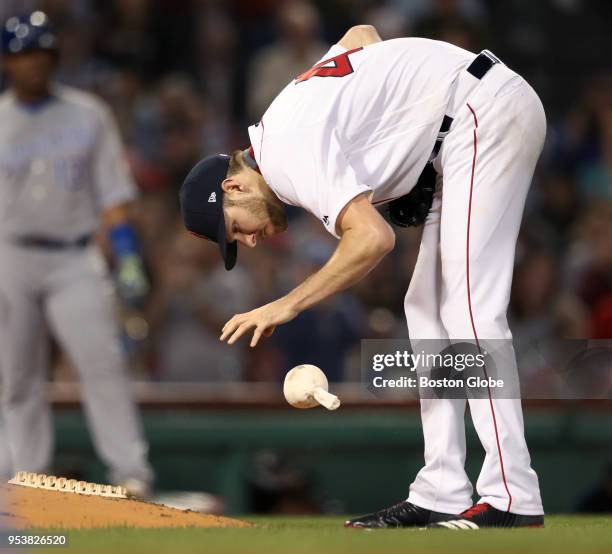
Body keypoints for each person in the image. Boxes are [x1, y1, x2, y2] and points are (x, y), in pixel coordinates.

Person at [180, 25, 546, 528]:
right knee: (425, 307)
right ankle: (442, 488)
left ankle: (512, 494)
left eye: (235, 230)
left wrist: (287, 304)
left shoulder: (288, 154)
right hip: (460, 125)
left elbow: (373, 239)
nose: (249, 241)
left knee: (469, 308)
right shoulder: (285, 119)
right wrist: (406, 123)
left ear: (233, 186)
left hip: (481, 112)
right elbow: (361, 35)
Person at [0, 11, 153, 495]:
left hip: (75, 256)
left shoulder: (88, 113)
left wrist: (126, 256)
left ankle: (130, 472)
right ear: (7, 61)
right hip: (11, 256)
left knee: (102, 363)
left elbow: (114, 196)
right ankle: (23, 477)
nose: (34, 65)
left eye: (42, 54)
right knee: (16, 376)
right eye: (25, 55)